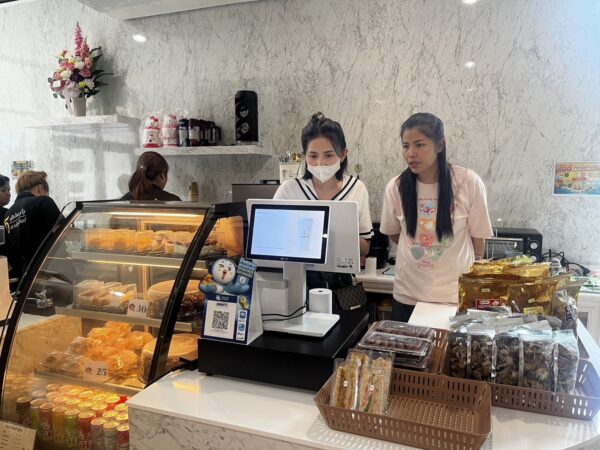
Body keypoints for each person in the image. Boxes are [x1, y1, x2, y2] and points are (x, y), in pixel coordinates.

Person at [380, 113, 493, 322]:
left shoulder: (468, 182)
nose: (411, 153)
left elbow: (478, 240)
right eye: (405, 146)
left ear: (440, 145)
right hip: (408, 295)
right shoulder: (396, 186)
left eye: (419, 145)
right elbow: (395, 234)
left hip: (453, 297)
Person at [274, 112, 374, 292]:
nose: (320, 163)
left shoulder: (357, 188)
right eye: (313, 156)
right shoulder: (289, 190)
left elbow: (365, 247)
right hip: (297, 279)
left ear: (343, 154)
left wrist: (328, 236)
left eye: (329, 155)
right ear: (304, 156)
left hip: (341, 283)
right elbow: (275, 241)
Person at [4, 171, 62, 279]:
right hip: (53, 269)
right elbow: (65, 233)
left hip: (28, 275)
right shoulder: (43, 201)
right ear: (40, 188)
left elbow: (11, 250)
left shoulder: (8, 214)